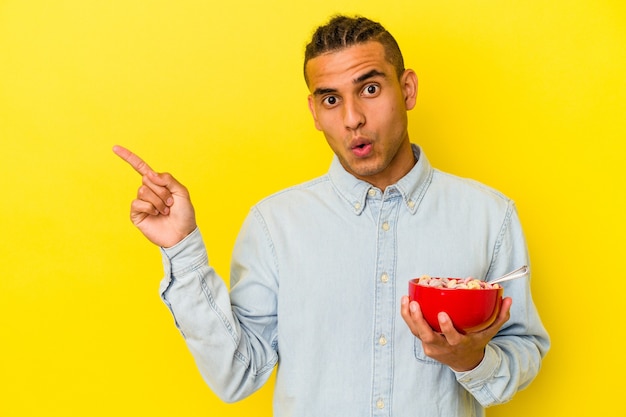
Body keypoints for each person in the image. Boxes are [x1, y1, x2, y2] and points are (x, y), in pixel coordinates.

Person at [114, 15, 549, 417]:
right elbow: (238, 374)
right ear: (314, 113)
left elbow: (524, 347)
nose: (352, 119)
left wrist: (471, 359)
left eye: (371, 89)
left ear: (408, 89)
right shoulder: (274, 225)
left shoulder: (490, 216)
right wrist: (182, 250)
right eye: (330, 99)